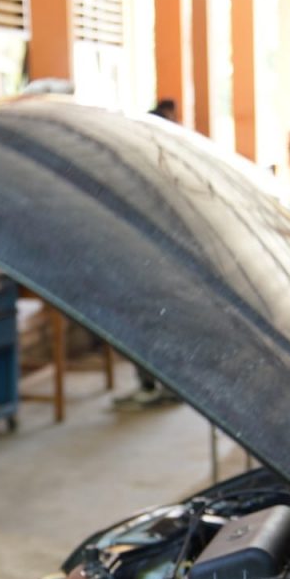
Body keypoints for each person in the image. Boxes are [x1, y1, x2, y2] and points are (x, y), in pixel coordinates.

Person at [113, 99, 182, 411]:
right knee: (144, 323)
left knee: (150, 322)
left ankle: (162, 384)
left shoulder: (165, 164)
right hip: (145, 259)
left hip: (157, 262)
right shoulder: (150, 163)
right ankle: (154, 383)